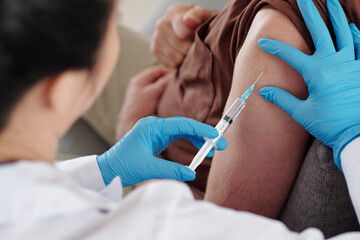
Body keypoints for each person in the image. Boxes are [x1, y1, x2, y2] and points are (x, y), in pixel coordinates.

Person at [2, 0, 360, 239]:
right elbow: (212, 220)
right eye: (117, 20)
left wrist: (103, 168)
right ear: (63, 90)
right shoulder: (163, 224)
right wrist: (352, 139)